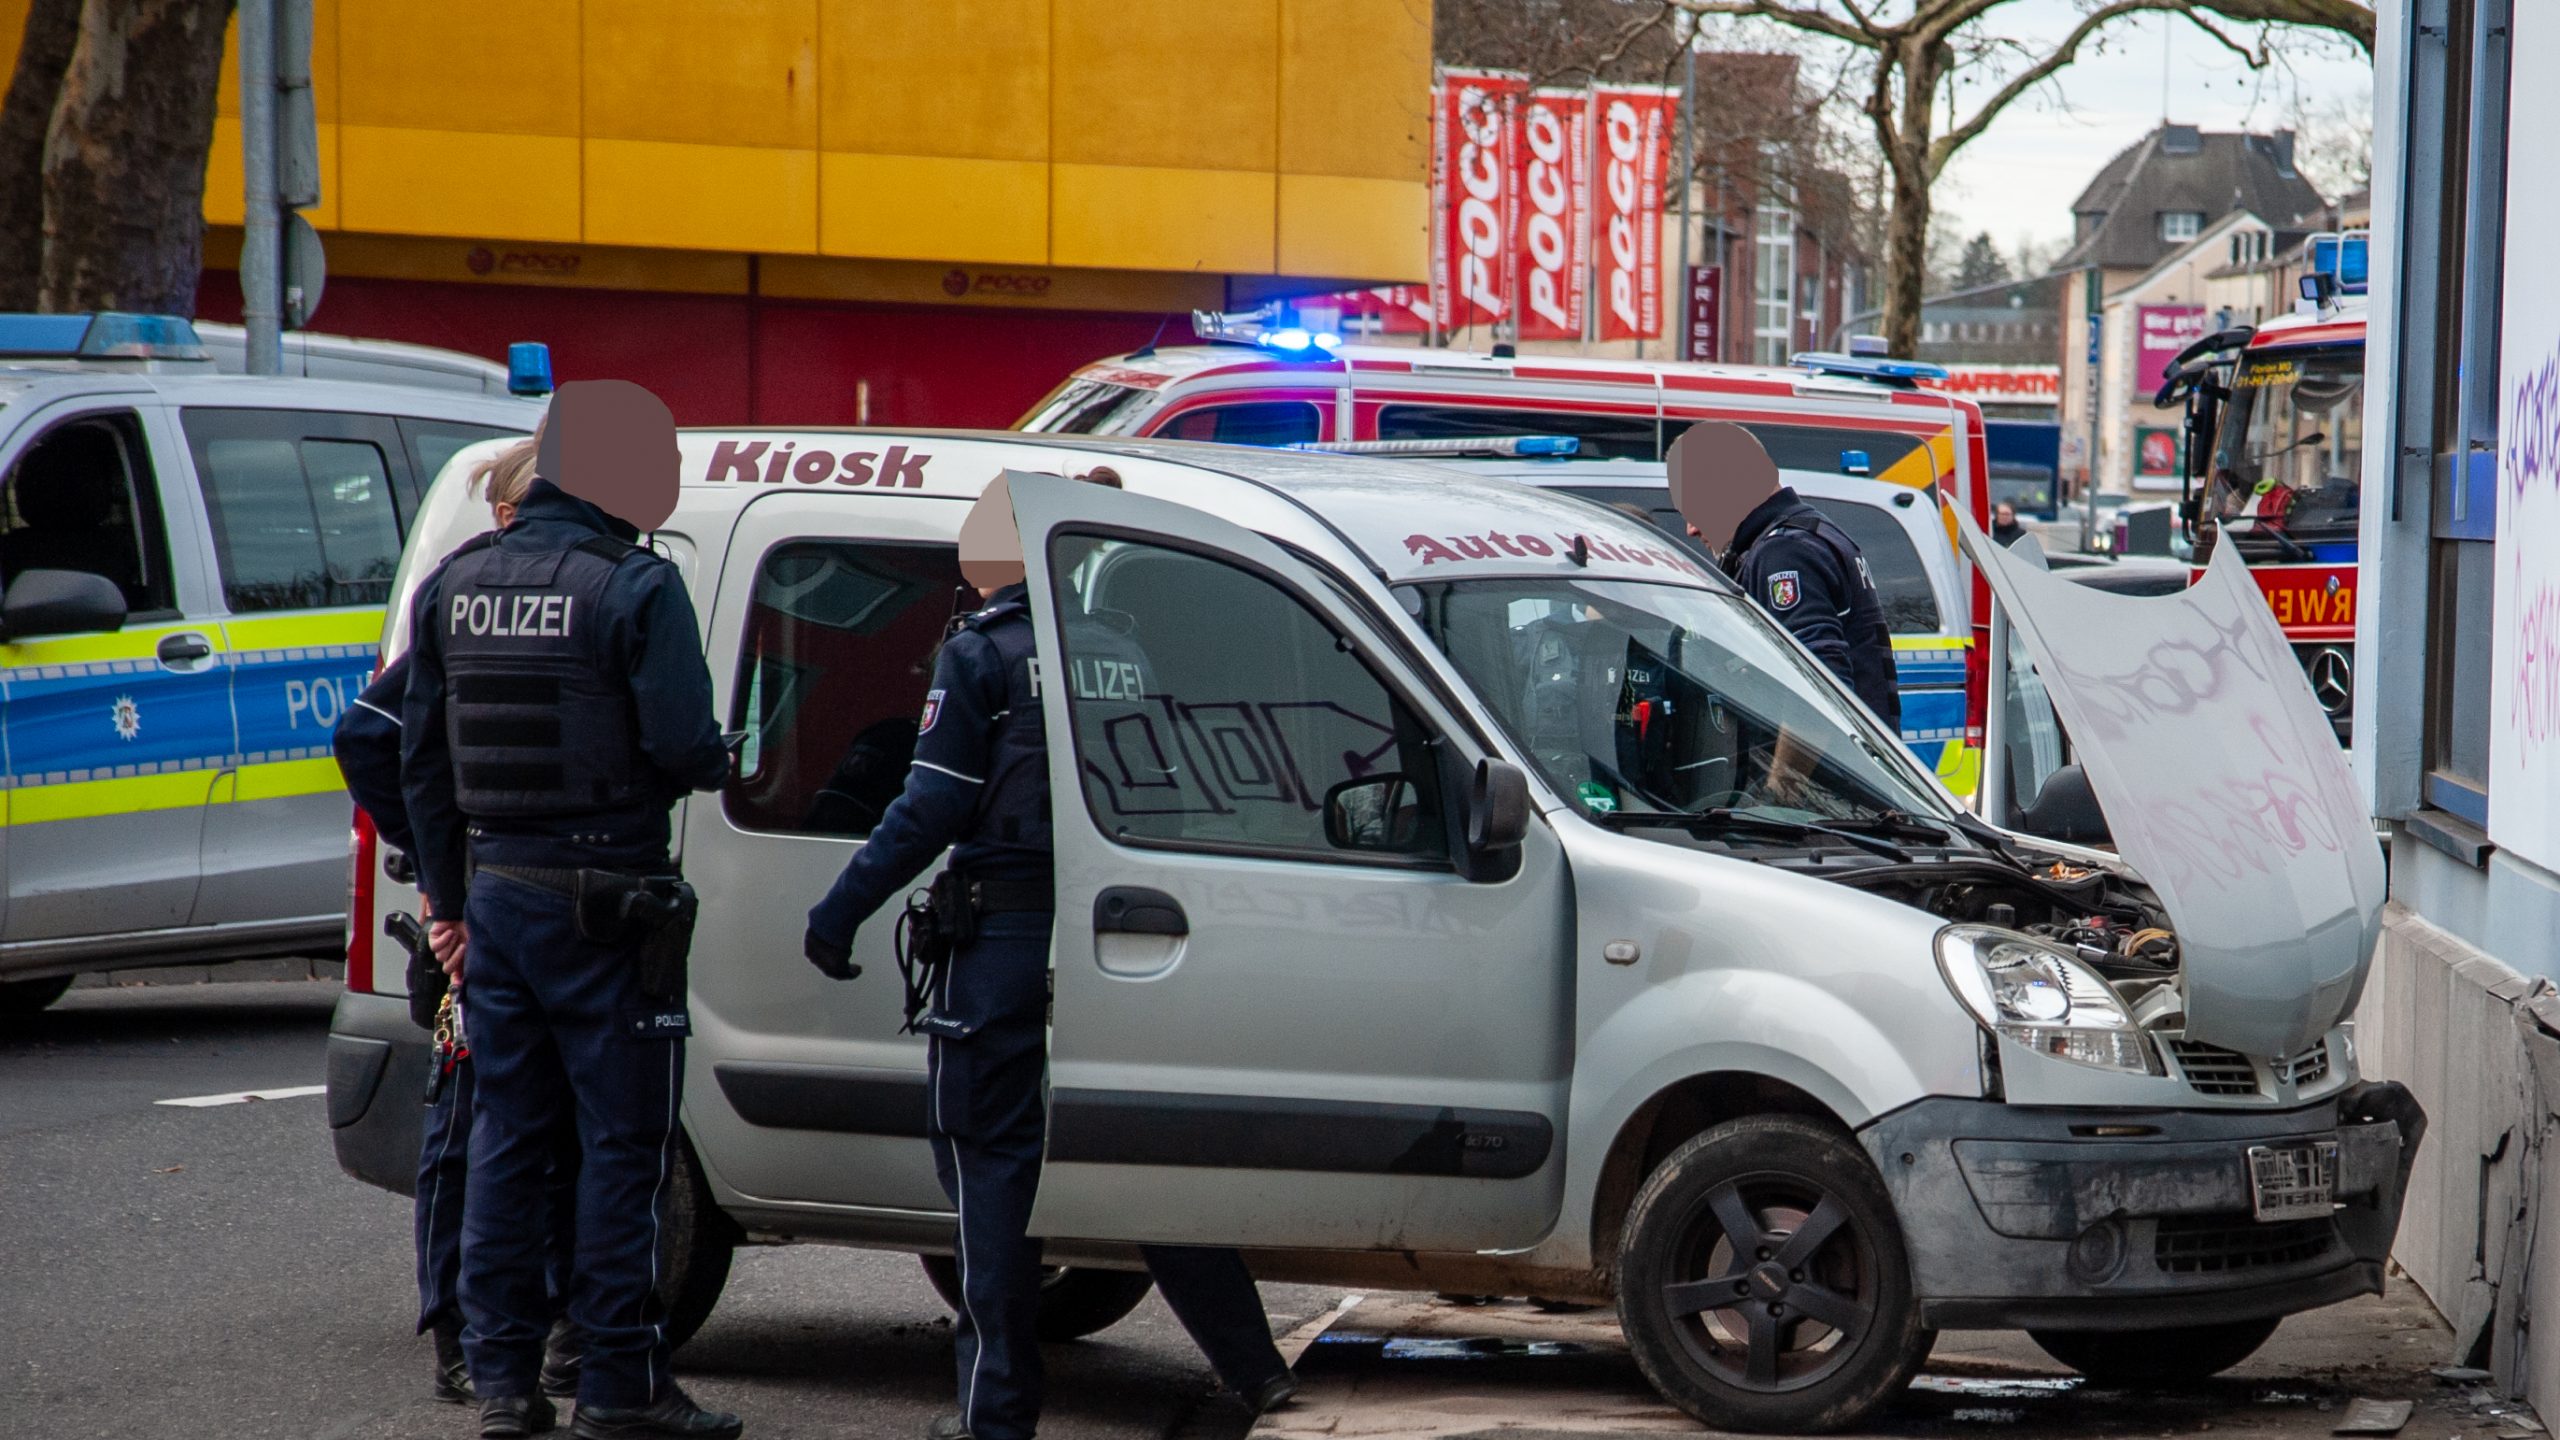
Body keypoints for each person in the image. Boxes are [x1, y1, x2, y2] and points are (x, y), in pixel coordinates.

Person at [801, 467, 1295, 1440]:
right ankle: (1258, 1372)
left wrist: (837, 911)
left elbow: (931, 804)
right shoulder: (1118, 652)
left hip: (1003, 946)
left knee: (991, 1187)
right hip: (1115, 943)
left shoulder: (982, 652)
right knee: (1142, 1161)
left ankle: (998, 1420)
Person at [403, 383, 739, 1440]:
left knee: (508, 1138)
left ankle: (503, 1382)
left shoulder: (456, 584)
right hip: (608, 902)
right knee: (620, 1147)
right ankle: (615, 1385)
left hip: (500, 895)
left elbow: (420, 762)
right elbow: (686, 748)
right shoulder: (634, 587)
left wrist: (451, 898)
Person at [333, 440, 585, 1409]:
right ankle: (461, 1332)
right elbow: (369, 736)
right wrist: (447, 878)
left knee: (531, 1123)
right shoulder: (473, 597)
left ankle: (533, 1323)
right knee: (473, 1122)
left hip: (508, 897)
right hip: (484, 909)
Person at [1722, 485, 1903, 733]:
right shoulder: (1814, 531)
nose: (1691, 528)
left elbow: (1819, 684)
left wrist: (1784, 773)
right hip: (1860, 756)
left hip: (1830, 765)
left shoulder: (1783, 550)